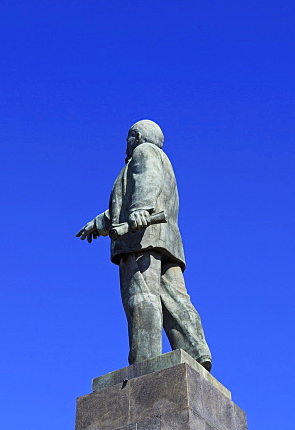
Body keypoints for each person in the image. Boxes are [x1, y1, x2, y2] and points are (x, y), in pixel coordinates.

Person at [76, 119, 211, 369]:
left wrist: (140, 208)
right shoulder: (163, 160)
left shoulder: (144, 152)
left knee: (141, 297)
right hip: (165, 240)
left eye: (128, 139)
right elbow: (122, 208)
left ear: (136, 137)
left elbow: (145, 182)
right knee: (175, 298)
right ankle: (195, 349)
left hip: (141, 238)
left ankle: (143, 360)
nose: (126, 146)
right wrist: (99, 223)